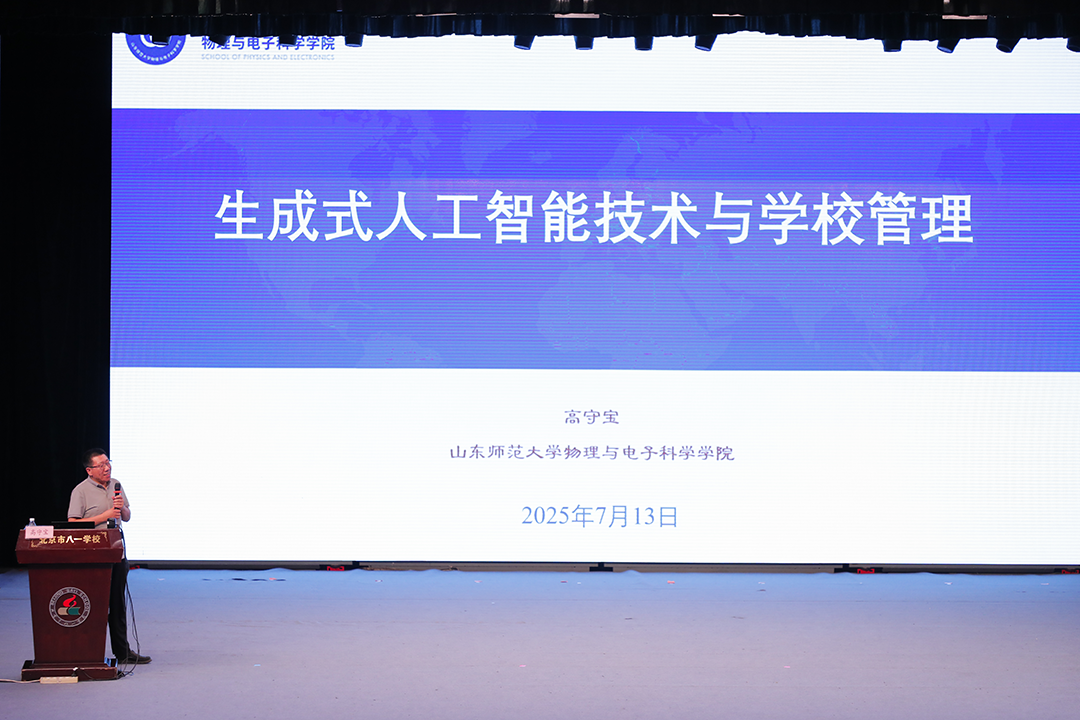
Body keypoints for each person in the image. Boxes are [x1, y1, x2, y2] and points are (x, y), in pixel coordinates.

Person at [68, 448, 152, 665]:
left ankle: (123, 652)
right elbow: (73, 523)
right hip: (93, 556)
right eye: (101, 465)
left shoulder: (116, 484)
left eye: (108, 463)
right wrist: (104, 516)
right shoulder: (80, 491)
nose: (107, 468)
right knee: (93, 604)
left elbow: (127, 516)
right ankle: (89, 652)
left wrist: (121, 508)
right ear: (89, 470)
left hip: (116, 551)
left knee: (118, 604)